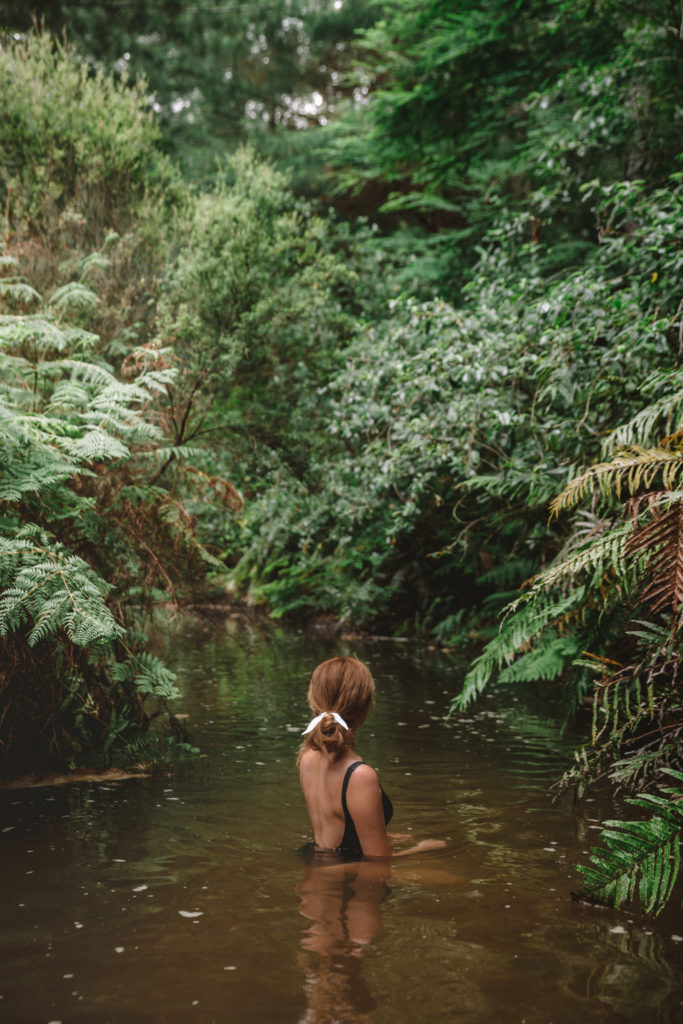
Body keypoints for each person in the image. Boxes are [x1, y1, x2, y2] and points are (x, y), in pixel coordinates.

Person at [298, 655, 445, 860]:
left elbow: (336, 825)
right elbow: (378, 861)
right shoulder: (359, 777)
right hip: (344, 882)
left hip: (314, 864)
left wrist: (388, 836)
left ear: (313, 700)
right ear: (364, 708)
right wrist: (424, 847)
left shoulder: (307, 758)